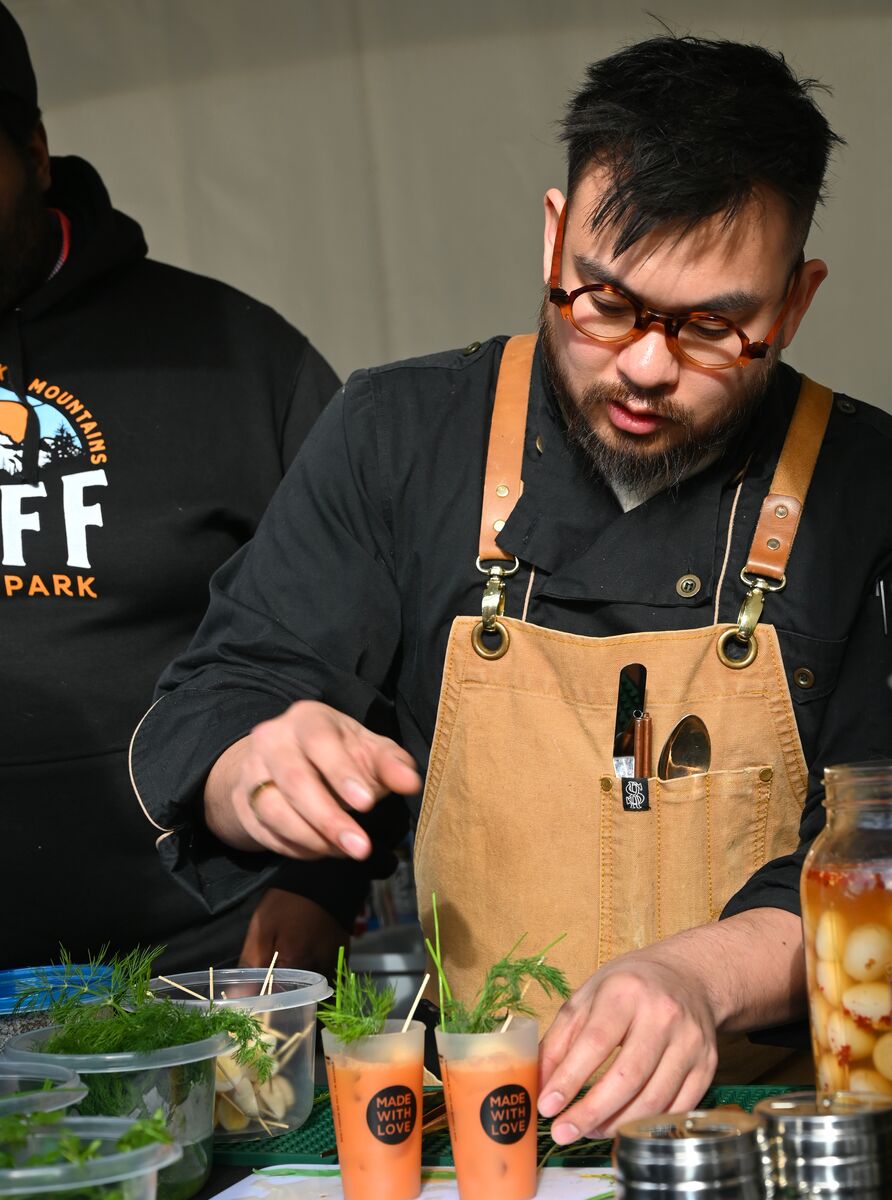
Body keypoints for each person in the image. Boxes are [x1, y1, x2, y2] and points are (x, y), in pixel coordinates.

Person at [131, 36, 892, 1138]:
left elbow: (882, 835)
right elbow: (217, 693)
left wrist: (700, 978)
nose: (641, 364)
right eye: (604, 300)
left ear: (795, 300)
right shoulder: (398, 437)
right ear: (551, 232)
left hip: (778, 1122)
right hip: (479, 1121)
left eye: (713, 327)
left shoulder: (866, 490)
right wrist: (251, 761)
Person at [0, 1, 358, 976]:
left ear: (33, 151)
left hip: (203, 966)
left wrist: (318, 883)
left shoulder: (237, 362)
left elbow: (377, 638)